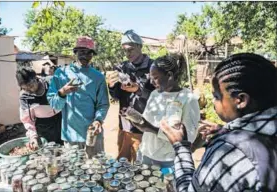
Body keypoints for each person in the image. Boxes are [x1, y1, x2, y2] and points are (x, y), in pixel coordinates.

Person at [161, 53, 277, 192]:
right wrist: (227, 130)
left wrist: (180, 146)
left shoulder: (230, 150)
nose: (213, 102)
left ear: (240, 100)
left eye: (216, 96)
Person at [123, 54, 200, 168]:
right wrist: (135, 119)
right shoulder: (155, 94)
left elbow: (189, 137)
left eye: (155, 78)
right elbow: (146, 122)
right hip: (145, 154)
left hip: (168, 161)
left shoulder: (187, 98)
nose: (152, 82)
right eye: (150, 78)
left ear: (169, 75)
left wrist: (151, 129)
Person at [47, 36, 110, 158]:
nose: (85, 56)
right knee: (74, 171)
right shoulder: (61, 74)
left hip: (93, 133)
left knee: (96, 169)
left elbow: (103, 104)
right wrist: (62, 93)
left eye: (89, 53)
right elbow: (54, 104)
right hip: (71, 136)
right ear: (75, 52)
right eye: (81, 52)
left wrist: (98, 120)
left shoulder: (98, 77)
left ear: (93, 55)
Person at [107, 30, 155, 162]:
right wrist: (111, 86)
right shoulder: (121, 67)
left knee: (142, 164)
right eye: (125, 51)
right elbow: (116, 96)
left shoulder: (153, 67)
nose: (128, 54)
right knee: (123, 161)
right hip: (125, 124)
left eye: (131, 49)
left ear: (140, 46)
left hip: (145, 126)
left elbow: (159, 96)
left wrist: (139, 89)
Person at [16, 67, 62, 149]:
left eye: (30, 85)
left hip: (62, 120)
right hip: (43, 126)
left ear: (36, 78)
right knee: (49, 151)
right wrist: (32, 136)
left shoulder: (51, 83)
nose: (29, 90)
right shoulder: (25, 97)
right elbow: (27, 120)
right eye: (24, 88)